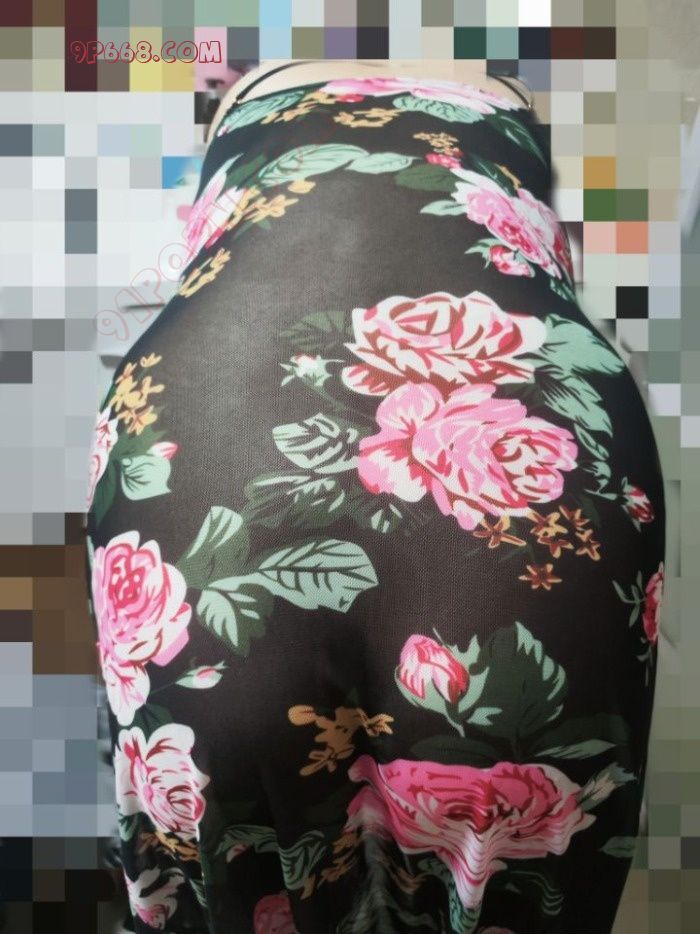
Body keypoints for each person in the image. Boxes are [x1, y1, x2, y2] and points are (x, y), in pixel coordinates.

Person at [84, 59, 666, 933]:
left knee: (215, 834)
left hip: (201, 429)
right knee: (530, 836)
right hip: (541, 425)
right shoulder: (508, 113)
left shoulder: (243, 112)